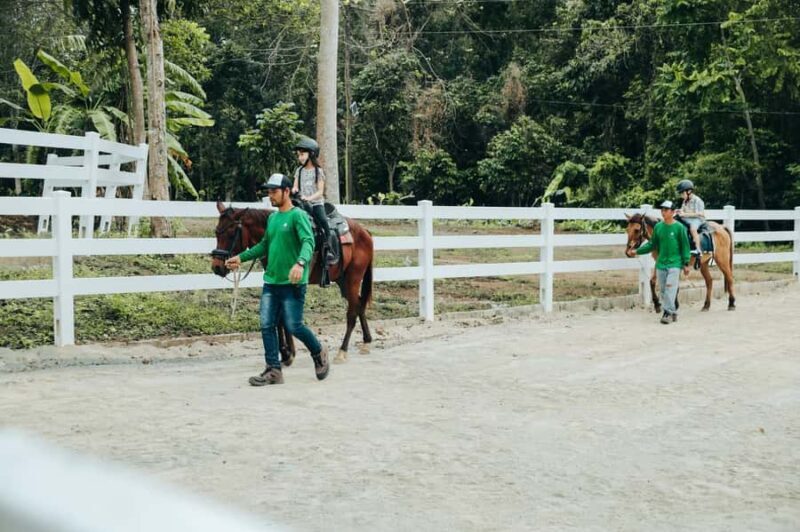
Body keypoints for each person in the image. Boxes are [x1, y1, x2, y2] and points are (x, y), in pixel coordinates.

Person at [225, 173, 329, 385]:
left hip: (292, 284)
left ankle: (318, 352)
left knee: (294, 326)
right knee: (266, 324)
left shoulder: (297, 216)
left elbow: (308, 242)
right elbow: (264, 245)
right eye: (269, 192)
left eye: (274, 191)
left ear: (287, 192)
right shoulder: (273, 219)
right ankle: (273, 369)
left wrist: (300, 263)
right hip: (271, 282)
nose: (270, 195)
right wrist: (241, 258)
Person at [627, 200, 691, 324]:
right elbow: (652, 244)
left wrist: (686, 263)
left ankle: (666, 313)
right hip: (661, 263)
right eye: (662, 210)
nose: (663, 212)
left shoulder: (679, 228)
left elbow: (685, 246)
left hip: (675, 263)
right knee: (662, 290)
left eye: (666, 210)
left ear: (672, 212)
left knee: (670, 288)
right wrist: (637, 251)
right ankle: (673, 311)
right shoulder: (658, 227)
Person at [291, 136, 335, 286]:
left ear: (311, 154)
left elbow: (320, 192)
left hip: (315, 203)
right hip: (301, 203)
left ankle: (329, 249)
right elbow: (295, 186)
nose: (300, 157)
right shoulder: (299, 171)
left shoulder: (318, 171)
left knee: (323, 222)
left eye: (302, 154)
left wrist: (309, 198)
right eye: (298, 155)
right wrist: (295, 190)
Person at [675, 179, 705, 261]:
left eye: (682, 193)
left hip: (697, 219)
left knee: (692, 228)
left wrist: (685, 214)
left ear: (689, 191)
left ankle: (698, 249)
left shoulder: (698, 200)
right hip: (687, 218)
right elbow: (682, 210)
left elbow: (701, 213)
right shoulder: (685, 201)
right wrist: (678, 211)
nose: (681, 195)